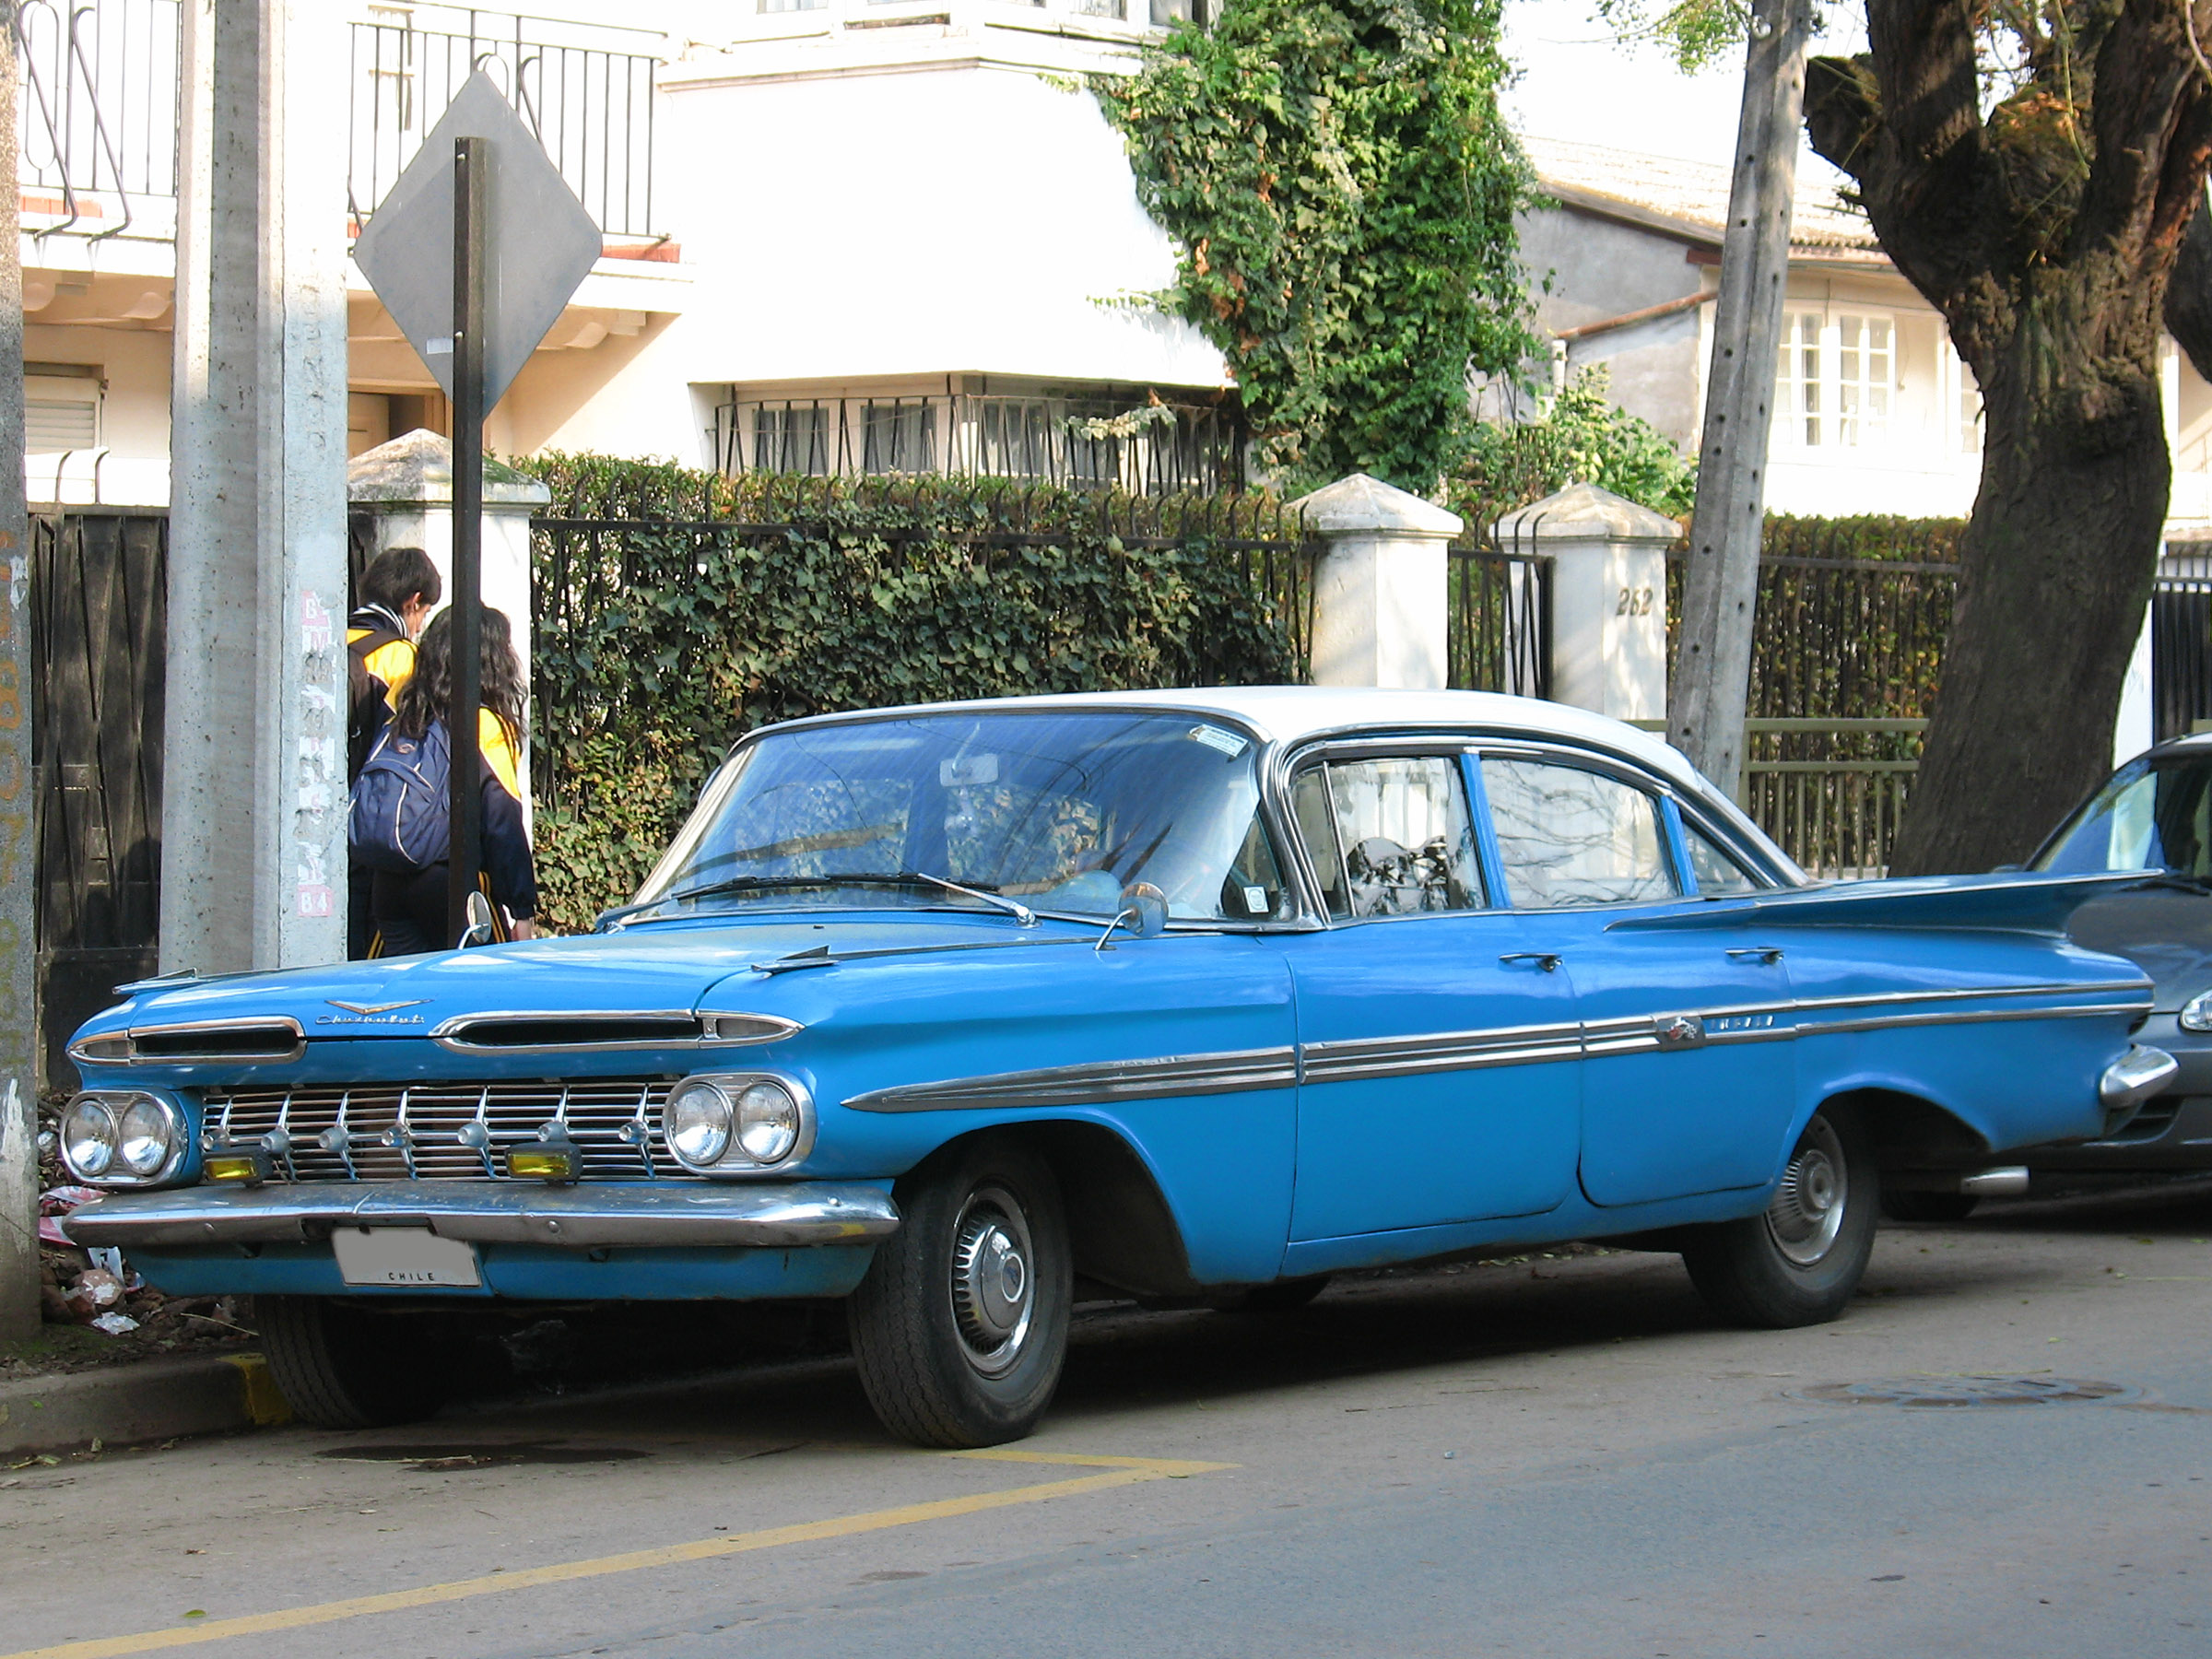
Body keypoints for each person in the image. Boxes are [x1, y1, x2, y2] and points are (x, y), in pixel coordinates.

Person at [364, 606, 539, 955]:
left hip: (388, 886)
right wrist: (521, 909)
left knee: (405, 1000)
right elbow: (502, 822)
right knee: (486, 993)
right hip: (454, 888)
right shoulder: (484, 724)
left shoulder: (405, 715)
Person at [347, 547, 441, 957]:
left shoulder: (334, 637)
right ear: (412, 601)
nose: (419, 626)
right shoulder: (398, 655)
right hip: (368, 823)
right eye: (423, 614)